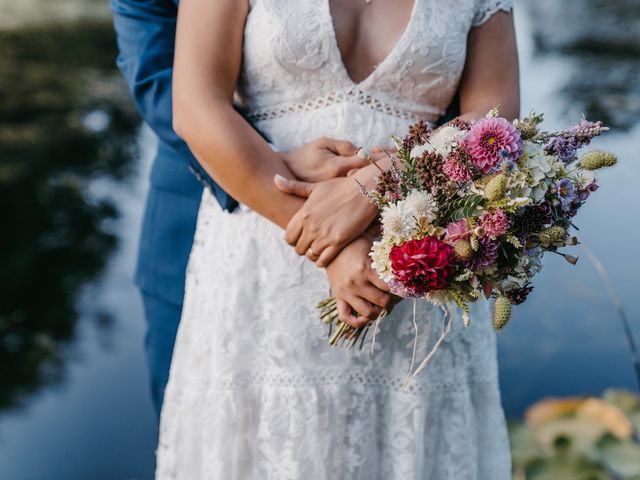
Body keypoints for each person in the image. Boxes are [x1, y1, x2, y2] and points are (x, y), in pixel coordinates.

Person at [157, 0, 520, 477]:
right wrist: (335, 244)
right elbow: (196, 107)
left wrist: (381, 182)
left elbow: (495, 117)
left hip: (414, 258)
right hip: (264, 258)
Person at [110, 0, 374, 415]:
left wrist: (394, 178)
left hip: (387, 215)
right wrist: (273, 158)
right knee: (202, 424)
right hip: (200, 223)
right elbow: (155, 70)